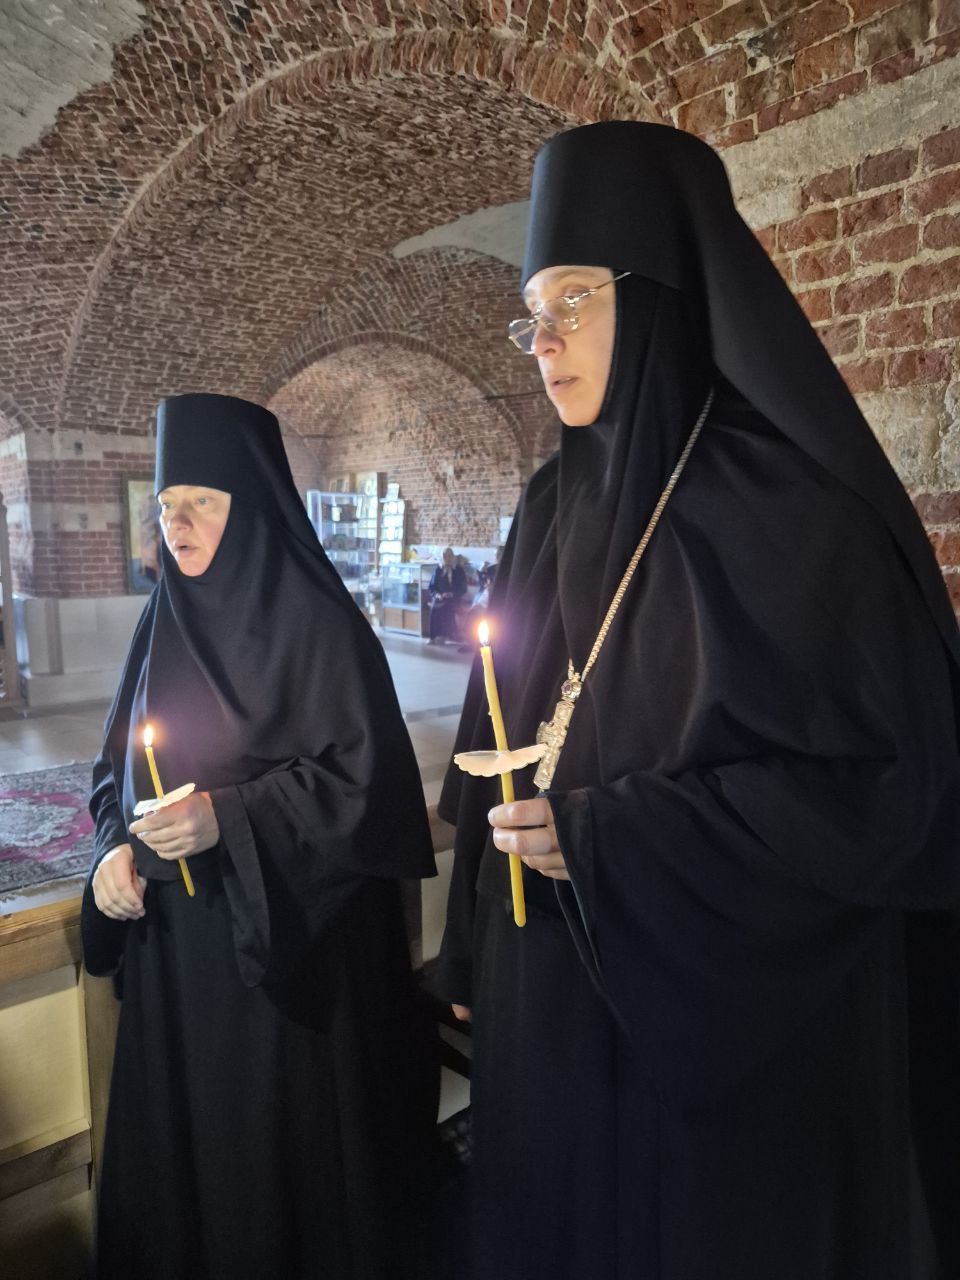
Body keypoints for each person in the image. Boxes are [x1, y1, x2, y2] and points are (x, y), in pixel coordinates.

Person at [435, 122, 960, 1280]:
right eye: (530, 314)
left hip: (729, 1036)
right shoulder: (546, 505)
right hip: (547, 999)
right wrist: (470, 951)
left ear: (660, 294)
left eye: (572, 302)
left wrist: (615, 837)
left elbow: (886, 797)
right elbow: (499, 733)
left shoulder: (800, 512)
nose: (542, 342)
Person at [83, 394, 439, 1280]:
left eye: (200, 503)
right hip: (177, 967)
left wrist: (228, 817)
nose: (177, 526)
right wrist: (110, 851)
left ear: (249, 503)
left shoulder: (319, 624)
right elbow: (110, 771)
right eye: (167, 507)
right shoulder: (160, 622)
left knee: (278, 1195)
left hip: (287, 976)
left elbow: (369, 790)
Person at [427, 546, 466, 643]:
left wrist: (452, 594)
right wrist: (438, 595)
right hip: (440, 598)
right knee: (434, 608)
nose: (447, 558)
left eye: (449, 556)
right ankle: (433, 637)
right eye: (445, 556)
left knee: (447, 607)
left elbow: (463, 588)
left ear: (453, 557)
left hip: (454, 598)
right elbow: (432, 587)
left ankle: (445, 635)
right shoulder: (438, 570)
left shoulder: (459, 570)